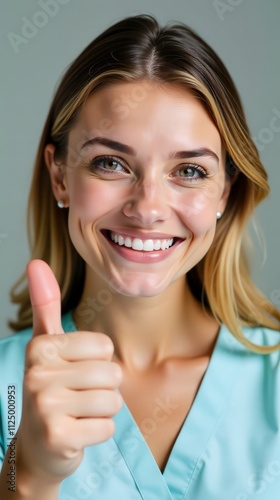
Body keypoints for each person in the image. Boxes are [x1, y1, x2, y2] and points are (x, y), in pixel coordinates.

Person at [0, 14, 280, 500]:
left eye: (190, 170)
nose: (147, 208)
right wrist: (28, 478)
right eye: (111, 163)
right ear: (60, 175)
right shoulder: (7, 391)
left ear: (224, 196)